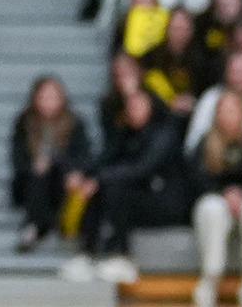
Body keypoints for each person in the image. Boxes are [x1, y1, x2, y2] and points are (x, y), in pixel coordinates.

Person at [61, 88, 184, 284]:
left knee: (114, 189)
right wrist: (82, 175)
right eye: (129, 106)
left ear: (152, 106)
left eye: (138, 105)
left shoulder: (165, 133)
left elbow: (142, 169)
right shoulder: (125, 133)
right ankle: (87, 253)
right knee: (99, 189)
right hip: (135, 197)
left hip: (165, 202)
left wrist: (99, 180)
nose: (133, 110)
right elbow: (103, 160)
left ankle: (121, 255)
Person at [188, 92, 242, 307]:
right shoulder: (204, 145)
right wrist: (224, 193)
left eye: (233, 111)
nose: (228, 116)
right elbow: (197, 180)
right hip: (216, 202)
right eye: (224, 111)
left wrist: (241, 192)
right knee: (212, 208)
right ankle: (211, 277)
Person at [10, 76, 91, 252]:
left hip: (62, 180)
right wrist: (33, 166)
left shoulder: (74, 123)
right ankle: (35, 225)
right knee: (38, 176)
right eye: (44, 97)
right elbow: (17, 158)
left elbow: (83, 155)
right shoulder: (25, 123)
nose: (48, 102)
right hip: (32, 183)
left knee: (60, 165)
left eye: (53, 97)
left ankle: (41, 226)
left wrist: (74, 172)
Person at [142, 8, 210, 123]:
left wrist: (194, 102)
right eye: (176, 28)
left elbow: (206, 90)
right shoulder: (152, 57)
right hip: (159, 115)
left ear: (191, 32)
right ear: (166, 29)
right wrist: (170, 101)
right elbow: (149, 88)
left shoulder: (202, 57)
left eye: (184, 29)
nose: (180, 34)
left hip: (193, 115)